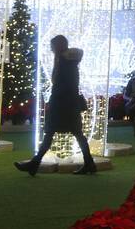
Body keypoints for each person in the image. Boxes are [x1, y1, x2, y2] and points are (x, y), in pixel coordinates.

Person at [14, 35, 95, 176]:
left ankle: (35, 163)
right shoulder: (66, 60)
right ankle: (89, 163)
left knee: (52, 132)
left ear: (58, 46)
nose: (51, 49)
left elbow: (64, 85)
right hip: (68, 105)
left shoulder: (65, 61)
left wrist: (55, 100)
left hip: (63, 105)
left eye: (52, 46)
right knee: (74, 133)